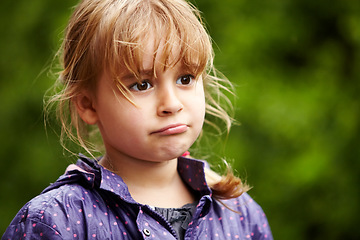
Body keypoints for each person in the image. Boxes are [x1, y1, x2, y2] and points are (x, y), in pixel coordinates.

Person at [2, 0, 273, 239]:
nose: (172, 104)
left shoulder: (238, 212)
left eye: (185, 79)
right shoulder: (57, 222)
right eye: (142, 85)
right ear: (88, 104)